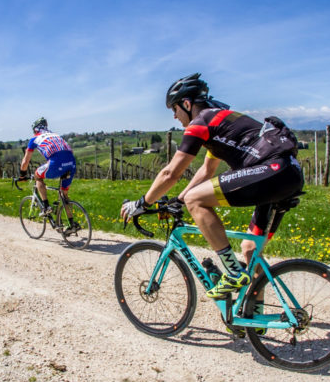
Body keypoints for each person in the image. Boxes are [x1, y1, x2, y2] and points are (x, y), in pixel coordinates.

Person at [121, 73, 303, 302]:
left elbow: (171, 172)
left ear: (187, 104)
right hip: (289, 174)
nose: (175, 117)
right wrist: (177, 200)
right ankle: (253, 319)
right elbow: (206, 171)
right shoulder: (220, 122)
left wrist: (142, 203)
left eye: (174, 109)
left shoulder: (201, 123)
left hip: (272, 171)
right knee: (249, 250)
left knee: (195, 200)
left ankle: (234, 273)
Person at [19, 117, 78, 229]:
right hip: (71, 162)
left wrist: (22, 175)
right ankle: (72, 223)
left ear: (35, 130)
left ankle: (46, 206)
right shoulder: (55, 135)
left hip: (56, 163)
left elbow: (25, 161)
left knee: (38, 176)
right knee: (64, 194)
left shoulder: (34, 139)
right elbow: (70, 151)